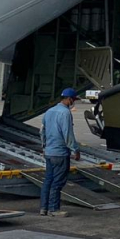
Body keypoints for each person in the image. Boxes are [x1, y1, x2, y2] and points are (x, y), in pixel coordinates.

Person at [41, 88, 81, 217]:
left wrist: (44, 147)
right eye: (74, 100)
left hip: (49, 152)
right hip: (60, 153)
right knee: (57, 182)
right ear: (69, 99)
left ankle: (43, 208)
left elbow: (42, 131)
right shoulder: (65, 113)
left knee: (48, 180)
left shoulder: (49, 111)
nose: (73, 102)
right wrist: (75, 149)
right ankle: (54, 209)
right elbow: (67, 134)